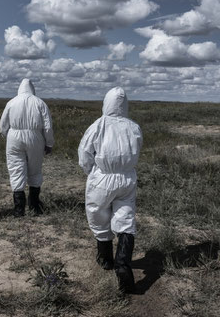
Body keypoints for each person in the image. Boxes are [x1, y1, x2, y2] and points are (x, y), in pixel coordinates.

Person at [77, 87, 143, 294]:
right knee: (125, 219)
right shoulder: (133, 127)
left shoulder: (98, 125)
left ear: (106, 103)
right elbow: (137, 150)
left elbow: (85, 153)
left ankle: (105, 258)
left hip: (102, 177)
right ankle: (123, 265)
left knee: (98, 214)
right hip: (127, 178)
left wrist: (91, 172)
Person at [0, 78, 54, 217]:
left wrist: (6, 135)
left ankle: (19, 209)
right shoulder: (40, 103)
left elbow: (3, 124)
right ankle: (34, 206)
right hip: (35, 137)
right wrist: (49, 143)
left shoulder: (11, 102)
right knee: (35, 170)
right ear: (32, 89)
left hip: (14, 136)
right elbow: (47, 126)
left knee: (16, 169)